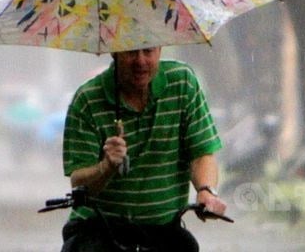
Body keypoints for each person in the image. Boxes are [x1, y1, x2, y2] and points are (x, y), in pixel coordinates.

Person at [61, 47, 226, 251]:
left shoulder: (183, 83)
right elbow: (79, 182)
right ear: (115, 53)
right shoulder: (87, 100)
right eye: (131, 52)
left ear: (159, 49)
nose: (140, 61)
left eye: (148, 51)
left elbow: (201, 152)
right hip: (99, 227)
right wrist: (106, 167)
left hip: (163, 228)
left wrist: (206, 191)